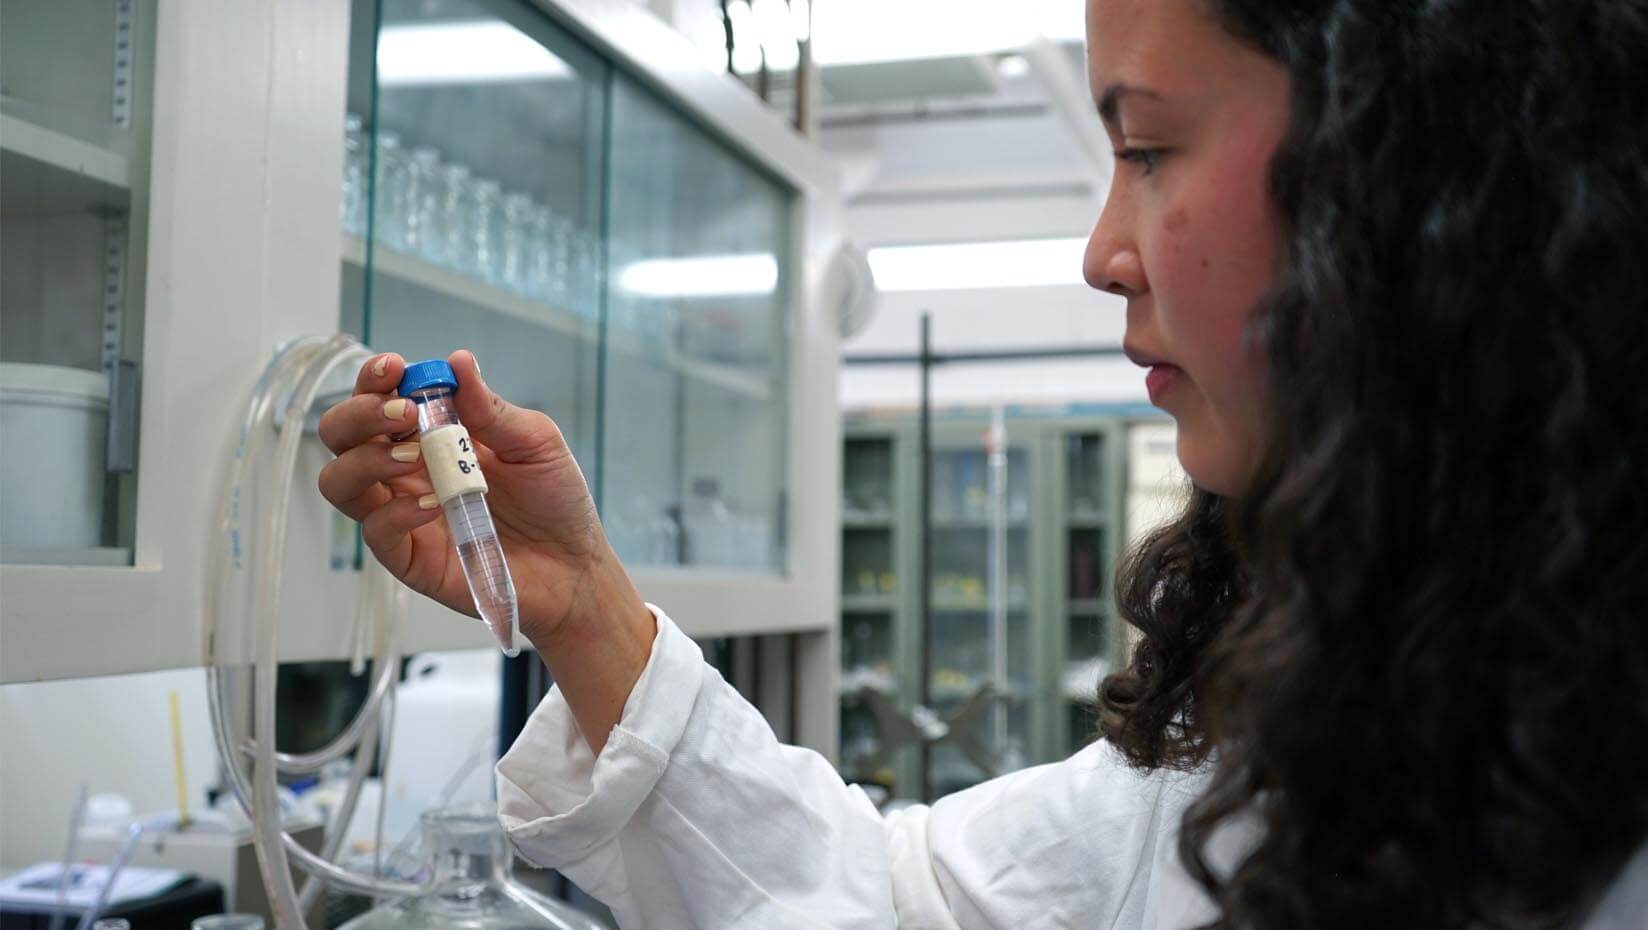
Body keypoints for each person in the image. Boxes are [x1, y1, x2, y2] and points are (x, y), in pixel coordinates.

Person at [317, 0, 1648, 925]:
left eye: (1147, 148)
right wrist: (584, 601)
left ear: (1408, 165)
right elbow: (901, 902)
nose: (1099, 249)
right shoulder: (1290, 725)